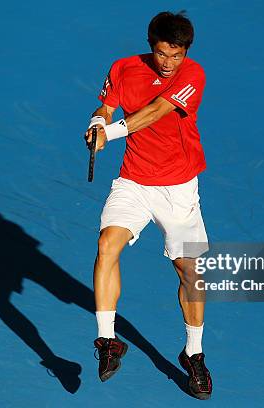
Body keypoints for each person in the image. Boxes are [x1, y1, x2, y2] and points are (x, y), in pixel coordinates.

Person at [84, 11, 212, 399]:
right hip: (134, 182)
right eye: (162, 54)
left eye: (176, 55)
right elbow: (106, 107)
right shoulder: (124, 68)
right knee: (107, 244)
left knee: (189, 272)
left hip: (178, 189)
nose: (169, 62)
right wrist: (96, 122)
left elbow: (156, 111)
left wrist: (113, 130)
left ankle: (193, 353)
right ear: (150, 44)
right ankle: (108, 342)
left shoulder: (193, 75)